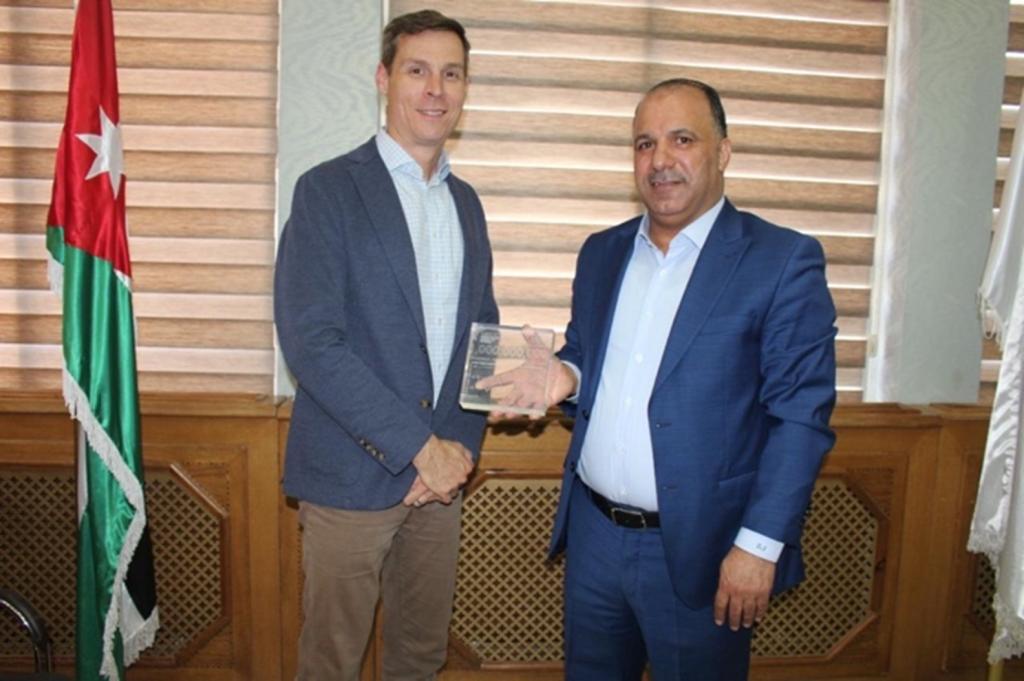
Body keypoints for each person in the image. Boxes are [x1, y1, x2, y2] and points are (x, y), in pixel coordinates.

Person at [482, 78, 837, 679]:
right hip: (594, 538)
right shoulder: (602, 252)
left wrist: (758, 546)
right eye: (645, 144)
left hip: (706, 549)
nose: (661, 160)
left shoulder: (781, 261)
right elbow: (587, 355)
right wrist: (563, 375)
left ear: (722, 152)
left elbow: (799, 419)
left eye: (682, 140)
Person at [273, 10, 498, 681]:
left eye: (451, 73)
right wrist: (417, 447)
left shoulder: (468, 204)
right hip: (350, 478)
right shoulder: (328, 191)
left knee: (419, 659)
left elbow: (480, 335)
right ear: (383, 77)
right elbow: (313, 344)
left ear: (464, 89)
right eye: (418, 69)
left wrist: (456, 453)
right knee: (332, 662)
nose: (436, 88)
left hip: (442, 481)